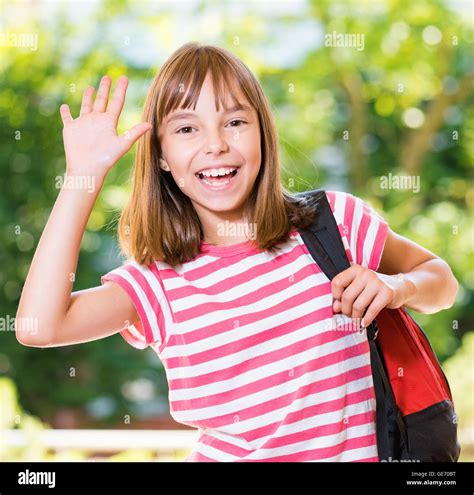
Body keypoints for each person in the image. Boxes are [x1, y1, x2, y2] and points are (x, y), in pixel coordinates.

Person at [16, 42, 459, 462]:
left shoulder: (335, 225)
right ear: (163, 156)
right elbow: (38, 327)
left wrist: (395, 286)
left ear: (262, 134)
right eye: (187, 129)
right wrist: (83, 177)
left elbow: (440, 282)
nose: (216, 144)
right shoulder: (157, 284)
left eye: (234, 122)